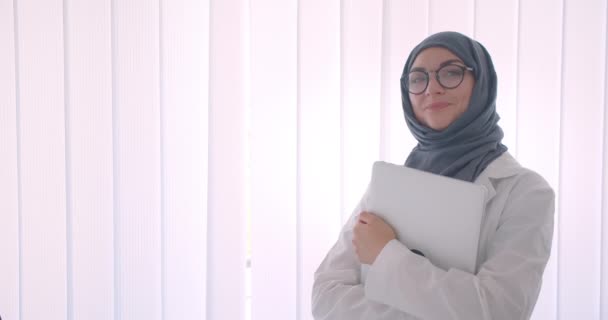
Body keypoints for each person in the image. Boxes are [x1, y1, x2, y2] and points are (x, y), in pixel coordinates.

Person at [311, 31, 555, 319]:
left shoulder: (526, 191)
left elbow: (498, 310)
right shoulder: (388, 185)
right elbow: (326, 296)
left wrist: (385, 254)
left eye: (450, 73)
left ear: (482, 84)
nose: (432, 88)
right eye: (418, 78)